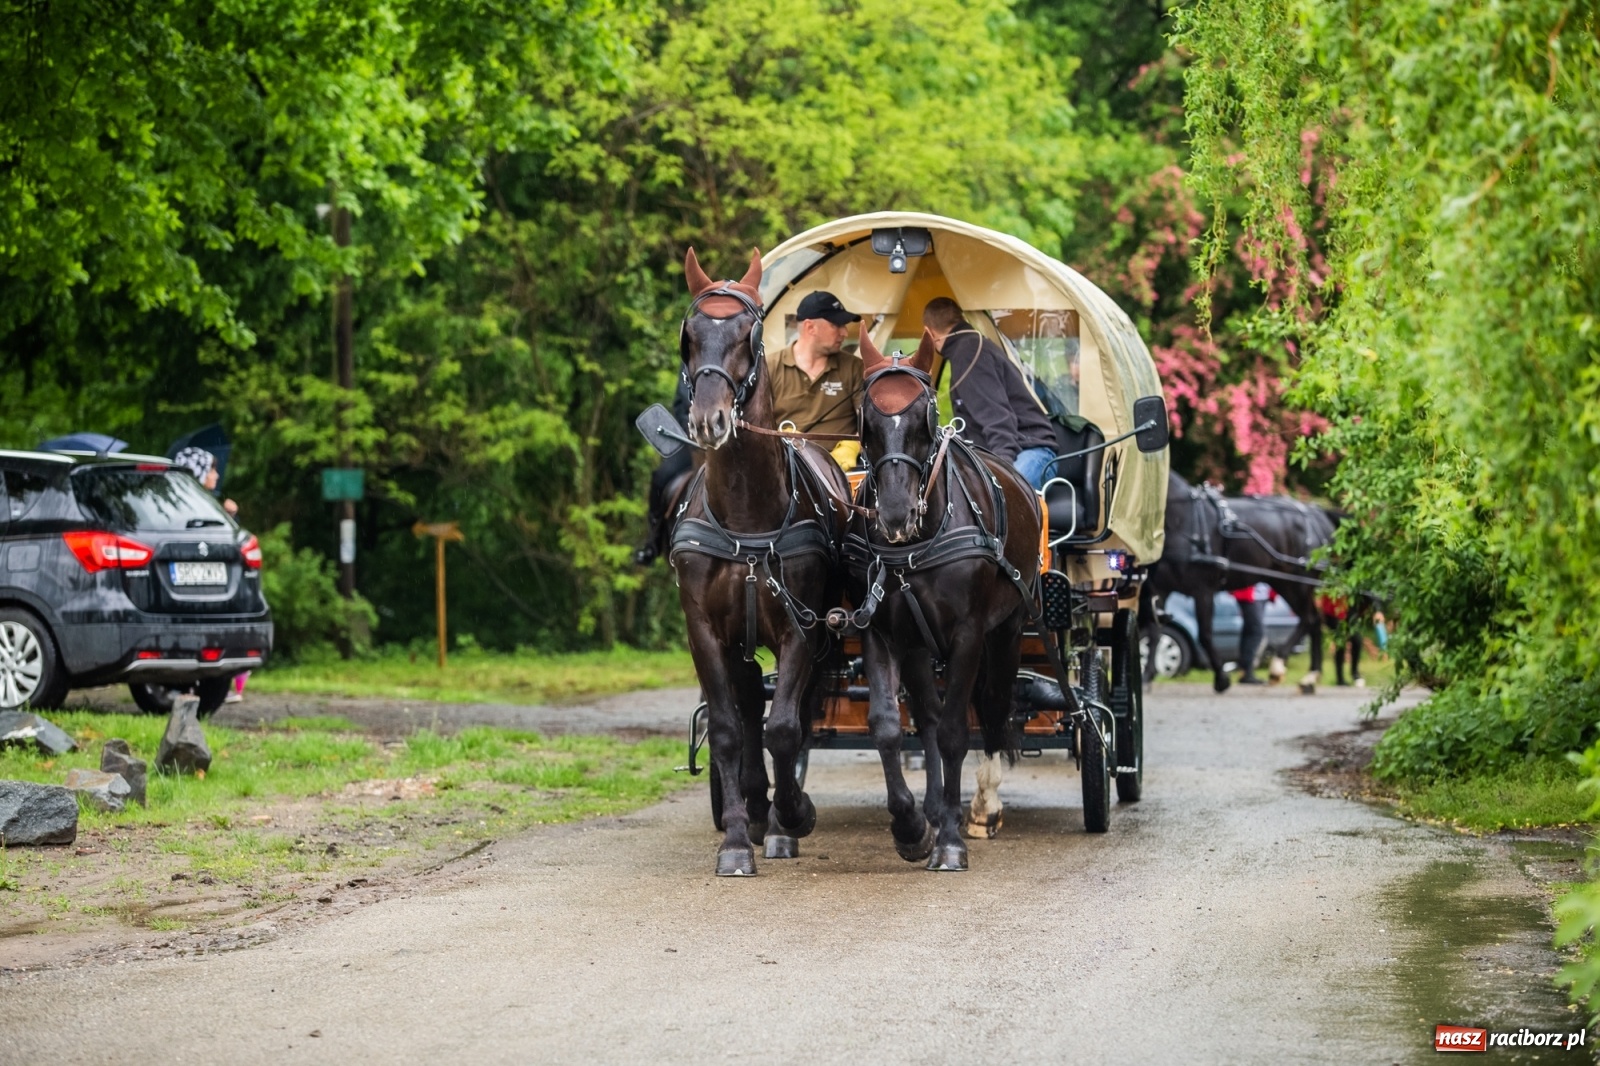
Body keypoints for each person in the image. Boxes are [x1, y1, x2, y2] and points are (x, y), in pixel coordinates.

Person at [922, 297, 1057, 489]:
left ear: (929, 332)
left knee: (999, 502)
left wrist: (1001, 473)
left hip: (1031, 452)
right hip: (1009, 452)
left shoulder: (968, 353)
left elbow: (997, 418)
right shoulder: (971, 347)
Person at [766, 290, 864, 470]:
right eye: (837, 325)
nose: (844, 332)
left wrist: (853, 446)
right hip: (785, 469)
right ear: (810, 327)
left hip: (841, 473)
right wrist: (776, 437)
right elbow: (753, 422)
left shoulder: (855, 368)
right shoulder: (769, 367)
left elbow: (872, 421)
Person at [1233, 582, 1273, 685]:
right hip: (1250, 593)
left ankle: (1244, 671)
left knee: (1249, 630)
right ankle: (1247, 671)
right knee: (1257, 631)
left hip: (1262, 594)